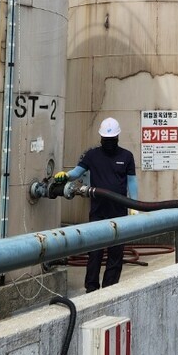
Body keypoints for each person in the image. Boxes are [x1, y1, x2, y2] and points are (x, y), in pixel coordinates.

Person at [55, 117, 139, 292]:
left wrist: (134, 206)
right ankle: (91, 288)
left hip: (119, 212)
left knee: (116, 253)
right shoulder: (92, 155)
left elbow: (132, 182)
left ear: (117, 138)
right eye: (105, 139)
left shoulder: (126, 156)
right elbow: (78, 172)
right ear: (101, 138)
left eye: (111, 139)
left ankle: (110, 288)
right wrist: (65, 175)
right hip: (98, 212)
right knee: (95, 253)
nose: (108, 142)